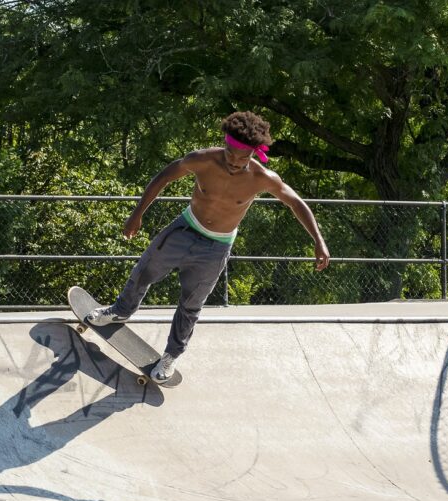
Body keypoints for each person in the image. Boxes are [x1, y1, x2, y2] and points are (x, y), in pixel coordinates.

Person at [87, 111, 330, 384]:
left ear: (254, 153)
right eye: (230, 154)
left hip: (216, 247)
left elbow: (296, 203)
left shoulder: (263, 178)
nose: (235, 162)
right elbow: (163, 177)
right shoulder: (201, 159)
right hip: (184, 229)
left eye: (243, 157)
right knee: (144, 270)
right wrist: (137, 213)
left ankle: (170, 356)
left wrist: (318, 241)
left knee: (191, 304)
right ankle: (120, 310)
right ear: (224, 145)